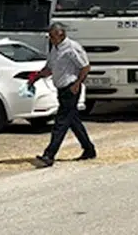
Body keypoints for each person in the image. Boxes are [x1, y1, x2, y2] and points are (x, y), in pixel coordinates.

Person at [28, 22, 97, 166]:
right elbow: (50, 68)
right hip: (61, 89)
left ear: (61, 35)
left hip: (70, 89)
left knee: (60, 123)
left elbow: (85, 67)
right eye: (50, 37)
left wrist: (77, 83)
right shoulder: (55, 49)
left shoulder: (72, 48)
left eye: (53, 36)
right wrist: (36, 77)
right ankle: (89, 149)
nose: (51, 39)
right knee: (73, 122)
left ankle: (49, 154)